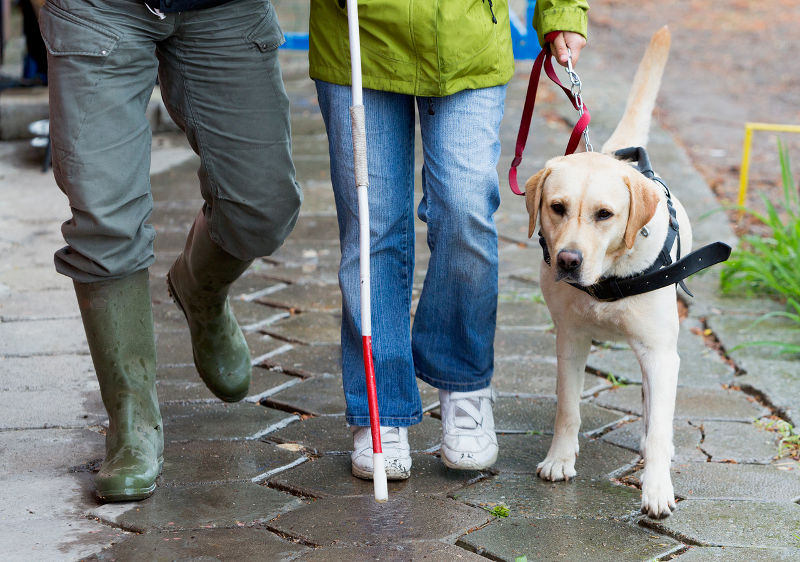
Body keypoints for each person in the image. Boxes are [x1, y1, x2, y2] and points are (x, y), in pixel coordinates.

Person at [308, 0, 588, 480]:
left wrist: (562, 9)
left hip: (467, 39)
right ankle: (382, 409)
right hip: (358, 34)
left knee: (465, 209)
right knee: (372, 226)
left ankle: (464, 385)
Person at [39, 0, 302, 501]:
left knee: (263, 206)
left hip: (224, 6)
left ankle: (200, 290)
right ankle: (132, 420)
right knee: (103, 215)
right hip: (97, 8)